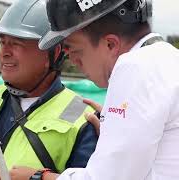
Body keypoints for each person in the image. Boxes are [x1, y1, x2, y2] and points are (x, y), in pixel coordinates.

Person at [0, 0, 98, 179]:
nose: (5, 52)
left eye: (17, 44)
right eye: (3, 42)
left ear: (54, 53)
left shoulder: (84, 119)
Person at [36, 0, 179, 179]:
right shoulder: (167, 59)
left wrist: (39, 177)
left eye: (73, 49)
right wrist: (116, 129)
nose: (72, 60)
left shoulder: (134, 67)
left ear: (110, 44)